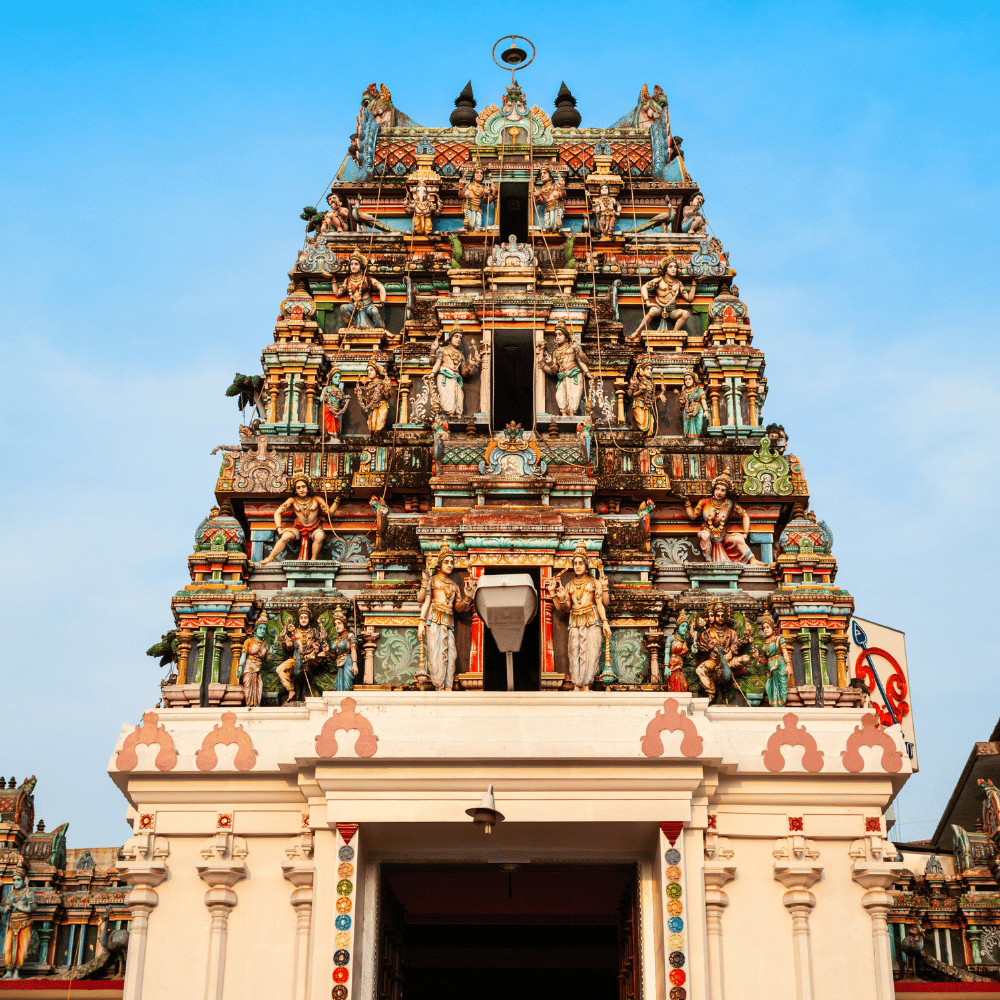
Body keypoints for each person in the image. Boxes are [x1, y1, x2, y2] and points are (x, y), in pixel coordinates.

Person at [545, 541, 612, 690]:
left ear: (586, 565)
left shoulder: (594, 583)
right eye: (575, 563)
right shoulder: (569, 585)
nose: (577, 566)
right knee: (574, 651)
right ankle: (576, 683)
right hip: (575, 620)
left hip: (592, 619)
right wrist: (555, 595)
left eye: (580, 562)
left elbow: (601, 603)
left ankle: (587, 684)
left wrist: (605, 622)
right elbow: (564, 609)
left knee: (591, 651)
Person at [417, 542, 476, 690]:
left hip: (448, 622)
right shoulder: (433, 580)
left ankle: (447, 686)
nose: (450, 565)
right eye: (446, 562)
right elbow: (422, 600)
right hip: (434, 620)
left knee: (451, 655)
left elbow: (458, 607)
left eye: (452, 562)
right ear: (440, 563)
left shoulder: (454, 585)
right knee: (436, 654)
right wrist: (421, 621)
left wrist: (468, 598)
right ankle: (439, 686)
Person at [682, 472, 760, 564]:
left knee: (739, 539)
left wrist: (745, 533)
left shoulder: (729, 504)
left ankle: (752, 559)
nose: (719, 492)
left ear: (726, 492)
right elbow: (693, 516)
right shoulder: (704, 501)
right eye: (717, 489)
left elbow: (745, 515)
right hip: (707, 532)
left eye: (723, 490)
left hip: (722, 536)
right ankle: (708, 560)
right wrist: (687, 502)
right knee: (705, 535)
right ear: (714, 489)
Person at [259, 476, 339, 564]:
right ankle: (270, 558)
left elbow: (329, 513)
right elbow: (277, 513)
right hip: (299, 528)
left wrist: (337, 501)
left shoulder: (317, 499)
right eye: (298, 488)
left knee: (319, 536)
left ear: (308, 488)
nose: (301, 490)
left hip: (315, 528)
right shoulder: (292, 500)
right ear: (295, 490)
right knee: (285, 536)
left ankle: (313, 559)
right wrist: (279, 529)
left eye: (303, 487)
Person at [276, 603, 329, 703]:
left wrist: (321, 640)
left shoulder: (314, 631)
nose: (303, 619)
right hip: (296, 658)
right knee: (279, 669)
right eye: (301, 617)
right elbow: (289, 647)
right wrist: (285, 641)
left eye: (305, 617)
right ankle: (290, 690)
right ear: (298, 619)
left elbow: (321, 645)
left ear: (309, 619)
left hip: (311, 658)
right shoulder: (294, 631)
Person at [632, 255, 698, 337]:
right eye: (670, 267)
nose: (673, 269)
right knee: (652, 311)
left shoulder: (678, 283)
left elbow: (689, 298)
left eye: (675, 267)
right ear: (666, 269)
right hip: (659, 307)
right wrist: (647, 302)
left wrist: (694, 284)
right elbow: (644, 287)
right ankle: (637, 332)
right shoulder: (659, 280)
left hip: (672, 310)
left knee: (686, 314)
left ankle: (674, 333)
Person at [431, 327, 486, 419]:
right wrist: (433, 373)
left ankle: (456, 416)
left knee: (458, 398)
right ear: (450, 338)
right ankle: (449, 416)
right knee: (448, 401)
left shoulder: (461, 355)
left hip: (455, 378)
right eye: (456, 336)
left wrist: (474, 364)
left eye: (460, 338)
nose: (458, 339)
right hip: (445, 376)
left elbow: (464, 373)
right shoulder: (443, 350)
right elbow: (435, 363)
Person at [536, 326, 591, 416]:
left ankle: (572, 414)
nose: (557, 337)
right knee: (560, 396)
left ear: (566, 337)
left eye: (560, 334)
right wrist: (547, 363)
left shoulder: (572, 347)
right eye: (556, 335)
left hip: (574, 375)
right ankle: (564, 414)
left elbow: (584, 360)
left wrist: (578, 349)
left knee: (573, 396)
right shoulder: (556, 352)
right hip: (562, 376)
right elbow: (554, 371)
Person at [334, 249, 386, 329]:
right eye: (351, 264)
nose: (353, 266)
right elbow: (338, 294)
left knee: (374, 311)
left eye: (356, 264)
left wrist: (381, 303)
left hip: (368, 305)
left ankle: (382, 329)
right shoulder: (347, 280)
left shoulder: (367, 279)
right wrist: (332, 280)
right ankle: (351, 326)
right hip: (353, 305)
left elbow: (381, 287)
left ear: (361, 266)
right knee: (343, 307)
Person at [1, 868, 35, 979]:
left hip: (24, 923)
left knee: (22, 949)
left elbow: (31, 909)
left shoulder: (28, 892)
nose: (15, 882)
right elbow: (6, 910)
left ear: (24, 880)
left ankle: (16, 971)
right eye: (14, 880)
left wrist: (15, 905)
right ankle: (9, 971)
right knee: (8, 948)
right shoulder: (11, 893)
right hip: (12, 923)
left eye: (18, 880)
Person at [759, 613, 794, 707]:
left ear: (773, 629)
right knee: (769, 687)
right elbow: (764, 661)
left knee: (782, 686)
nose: (765, 629)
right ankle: (774, 706)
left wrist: (788, 665)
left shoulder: (779, 639)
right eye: (764, 628)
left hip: (780, 665)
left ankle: (781, 705)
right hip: (771, 669)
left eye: (767, 627)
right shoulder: (764, 643)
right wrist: (757, 657)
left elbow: (785, 652)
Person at [237, 611, 270, 708]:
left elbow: (267, 661)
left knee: (258, 688)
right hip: (248, 668)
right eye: (260, 628)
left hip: (258, 670)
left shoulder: (265, 645)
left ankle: (255, 705)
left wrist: (271, 653)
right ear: (256, 629)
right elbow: (243, 656)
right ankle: (249, 704)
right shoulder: (249, 641)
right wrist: (240, 667)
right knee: (248, 687)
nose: (262, 631)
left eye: (264, 629)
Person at [356, 361, 391, 438]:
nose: (369, 372)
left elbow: (387, 396)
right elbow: (368, 400)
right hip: (373, 408)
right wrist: (361, 395)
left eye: (371, 370)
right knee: (372, 428)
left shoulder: (382, 383)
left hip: (382, 406)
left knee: (379, 426)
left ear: (377, 371)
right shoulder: (369, 386)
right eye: (368, 371)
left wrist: (387, 386)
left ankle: (378, 438)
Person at [330, 609, 358, 691]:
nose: (337, 626)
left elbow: (353, 650)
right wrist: (327, 652)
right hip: (339, 664)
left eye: (339, 623)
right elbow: (333, 656)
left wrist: (355, 664)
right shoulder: (337, 640)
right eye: (335, 624)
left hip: (348, 662)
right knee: (338, 685)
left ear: (345, 625)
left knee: (347, 685)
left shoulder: (350, 636)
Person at [628, 354, 656, 436]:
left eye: (651, 369)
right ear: (642, 371)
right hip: (639, 404)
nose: (650, 371)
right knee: (641, 422)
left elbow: (653, 398)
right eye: (647, 369)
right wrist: (640, 390)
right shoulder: (638, 380)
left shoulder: (651, 383)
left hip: (648, 406)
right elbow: (631, 394)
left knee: (651, 424)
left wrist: (660, 395)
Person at [320, 366, 350, 441]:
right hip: (329, 410)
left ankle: (334, 436)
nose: (338, 379)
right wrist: (325, 396)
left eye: (339, 377)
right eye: (335, 377)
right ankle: (330, 436)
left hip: (336, 412)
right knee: (330, 426)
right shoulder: (327, 388)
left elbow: (342, 404)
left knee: (337, 427)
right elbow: (321, 399)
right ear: (331, 379)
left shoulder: (341, 392)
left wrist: (346, 400)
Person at [460, 167, 493, 231]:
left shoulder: (483, 188)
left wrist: (486, 194)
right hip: (469, 206)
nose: (479, 174)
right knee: (471, 224)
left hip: (478, 208)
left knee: (478, 225)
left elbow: (485, 201)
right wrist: (461, 185)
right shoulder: (469, 185)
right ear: (473, 175)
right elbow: (460, 196)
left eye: (481, 173)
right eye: (477, 172)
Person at [679, 367, 708, 438]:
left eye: (689, 379)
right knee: (688, 426)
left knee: (698, 427)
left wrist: (706, 410)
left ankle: (697, 437)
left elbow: (703, 401)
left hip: (698, 410)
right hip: (688, 411)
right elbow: (681, 408)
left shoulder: (699, 390)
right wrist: (682, 403)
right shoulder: (684, 392)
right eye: (686, 380)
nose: (687, 381)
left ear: (694, 380)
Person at [534, 167, 566, 232]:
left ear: (550, 176)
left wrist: (562, 186)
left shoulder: (555, 186)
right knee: (548, 225)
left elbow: (563, 196)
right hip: (547, 209)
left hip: (556, 207)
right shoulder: (541, 189)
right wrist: (537, 196)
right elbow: (540, 202)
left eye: (545, 173)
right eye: (541, 174)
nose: (542, 175)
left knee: (556, 225)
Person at [665, 614, 692, 692]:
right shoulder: (671, 638)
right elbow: (667, 653)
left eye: (686, 627)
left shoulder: (684, 641)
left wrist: (693, 651)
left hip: (680, 668)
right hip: (672, 667)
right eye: (683, 626)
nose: (685, 629)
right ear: (678, 627)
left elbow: (687, 658)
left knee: (682, 687)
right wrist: (666, 667)